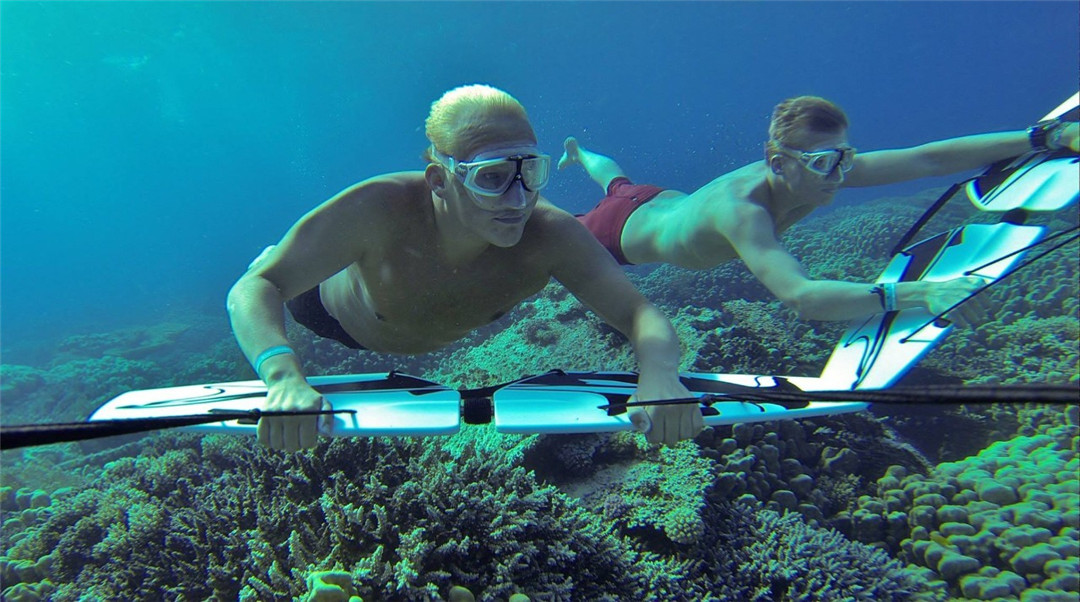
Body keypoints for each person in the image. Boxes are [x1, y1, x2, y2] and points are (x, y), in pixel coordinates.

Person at [227, 84, 703, 452]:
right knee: (277, 270)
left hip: (401, 324)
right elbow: (253, 288)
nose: (518, 200)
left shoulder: (551, 236)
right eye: (491, 177)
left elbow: (638, 313)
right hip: (328, 314)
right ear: (440, 180)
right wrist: (284, 377)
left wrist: (659, 373)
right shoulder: (378, 208)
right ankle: (288, 248)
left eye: (530, 173)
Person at [560, 96, 1079, 322]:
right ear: (778, 163)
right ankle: (555, 168)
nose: (840, 174)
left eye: (846, 157)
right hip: (611, 235)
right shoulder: (743, 212)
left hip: (654, 199)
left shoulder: (811, 172)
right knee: (547, 229)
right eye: (825, 161)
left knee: (618, 180)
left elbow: (929, 157)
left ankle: (580, 152)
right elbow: (802, 297)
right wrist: (923, 293)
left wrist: (1042, 136)